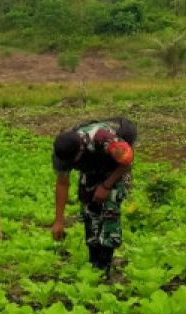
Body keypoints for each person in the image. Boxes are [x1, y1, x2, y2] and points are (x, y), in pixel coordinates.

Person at [50, 117, 137, 273]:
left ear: (81, 149)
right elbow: (62, 184)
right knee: (89, 210)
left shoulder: (103, 138)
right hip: (91, 170)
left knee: (109, 210)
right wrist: (58, 221)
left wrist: (106, 185)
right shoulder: (61, 154)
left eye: (73, 161)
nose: (69, 165)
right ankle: (94, 262)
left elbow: (127, 162)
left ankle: (105, 265)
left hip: (116, 168)